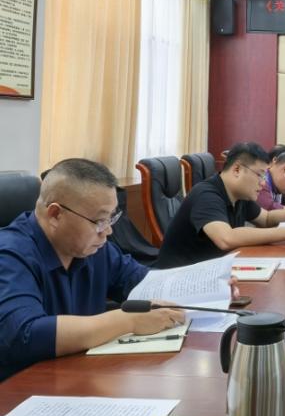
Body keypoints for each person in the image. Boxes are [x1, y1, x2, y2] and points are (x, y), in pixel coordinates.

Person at [0, 158, 185, 381]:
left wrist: (206, 284)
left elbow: (141, 282)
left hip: (78, 377)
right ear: (55, 215)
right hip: (22, 389)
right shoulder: (9, 255)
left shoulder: (93, 248)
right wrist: (129, 321)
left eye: (111, 218)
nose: (107, 231)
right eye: (99, 220)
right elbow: (25, 335)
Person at [156, 142, 285, 268]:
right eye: (260, 175)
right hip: (177, 278)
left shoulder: (240, 194)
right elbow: (226, 238)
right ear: (237, 169)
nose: (263, 182)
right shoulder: (206, 194)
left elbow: (266, 218)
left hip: (210, 269)